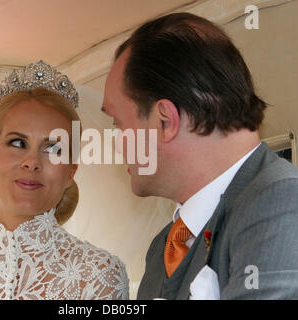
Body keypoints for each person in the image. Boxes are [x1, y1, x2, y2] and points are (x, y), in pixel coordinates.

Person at [102, 12, 298, 299]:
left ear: (164, 121)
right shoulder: (163, 247)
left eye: (118, 123)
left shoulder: (283, 202)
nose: (116, 145)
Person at [0, 60, 129, 300]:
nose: (32, 162)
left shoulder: (98, 275)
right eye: (18, 143)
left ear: (70, 173)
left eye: (53, 148)